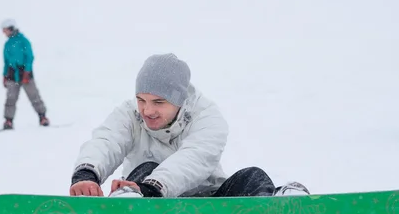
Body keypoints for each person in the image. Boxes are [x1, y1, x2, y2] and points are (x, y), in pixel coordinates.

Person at [69, 53, 309, 198]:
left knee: (253, 176)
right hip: (148, 203)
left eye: (158, 102)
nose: (147, 110)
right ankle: (130, 204)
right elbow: (107, 140)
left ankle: (278, 210)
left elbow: (194, 158)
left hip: (208, 204)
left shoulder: (208, 116)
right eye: (141, 100)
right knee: (146, 167)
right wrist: (86, 174)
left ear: (179, 100)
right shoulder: (129, 113)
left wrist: (153, 187)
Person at [1, 19, 49, 129]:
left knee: (34, 96)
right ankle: (8, 120)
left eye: (5, 30)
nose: (4, 33)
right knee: (11, 98)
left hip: (24, 73)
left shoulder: (23, 41)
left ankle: (42, 117)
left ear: (11, 28)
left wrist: (27, 72)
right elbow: (6, 61)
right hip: (12, 74)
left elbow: (30, 57)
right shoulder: (7, 44)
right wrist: (4, 75)